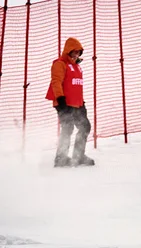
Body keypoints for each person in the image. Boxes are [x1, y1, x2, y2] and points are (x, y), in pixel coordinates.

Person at [46, 37, 94, 167]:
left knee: (85, 127)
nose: (76, 54)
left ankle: (78, 156)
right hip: (64, 103)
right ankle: (60, 158)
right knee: (68, 128)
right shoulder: (60, 64)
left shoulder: (76, 67)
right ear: (68, 51)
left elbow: (75, 87)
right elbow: (56, 81)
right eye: (74, 52)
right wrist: (61, 100)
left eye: (79, 52)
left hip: (76, 104)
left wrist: (81, 103)